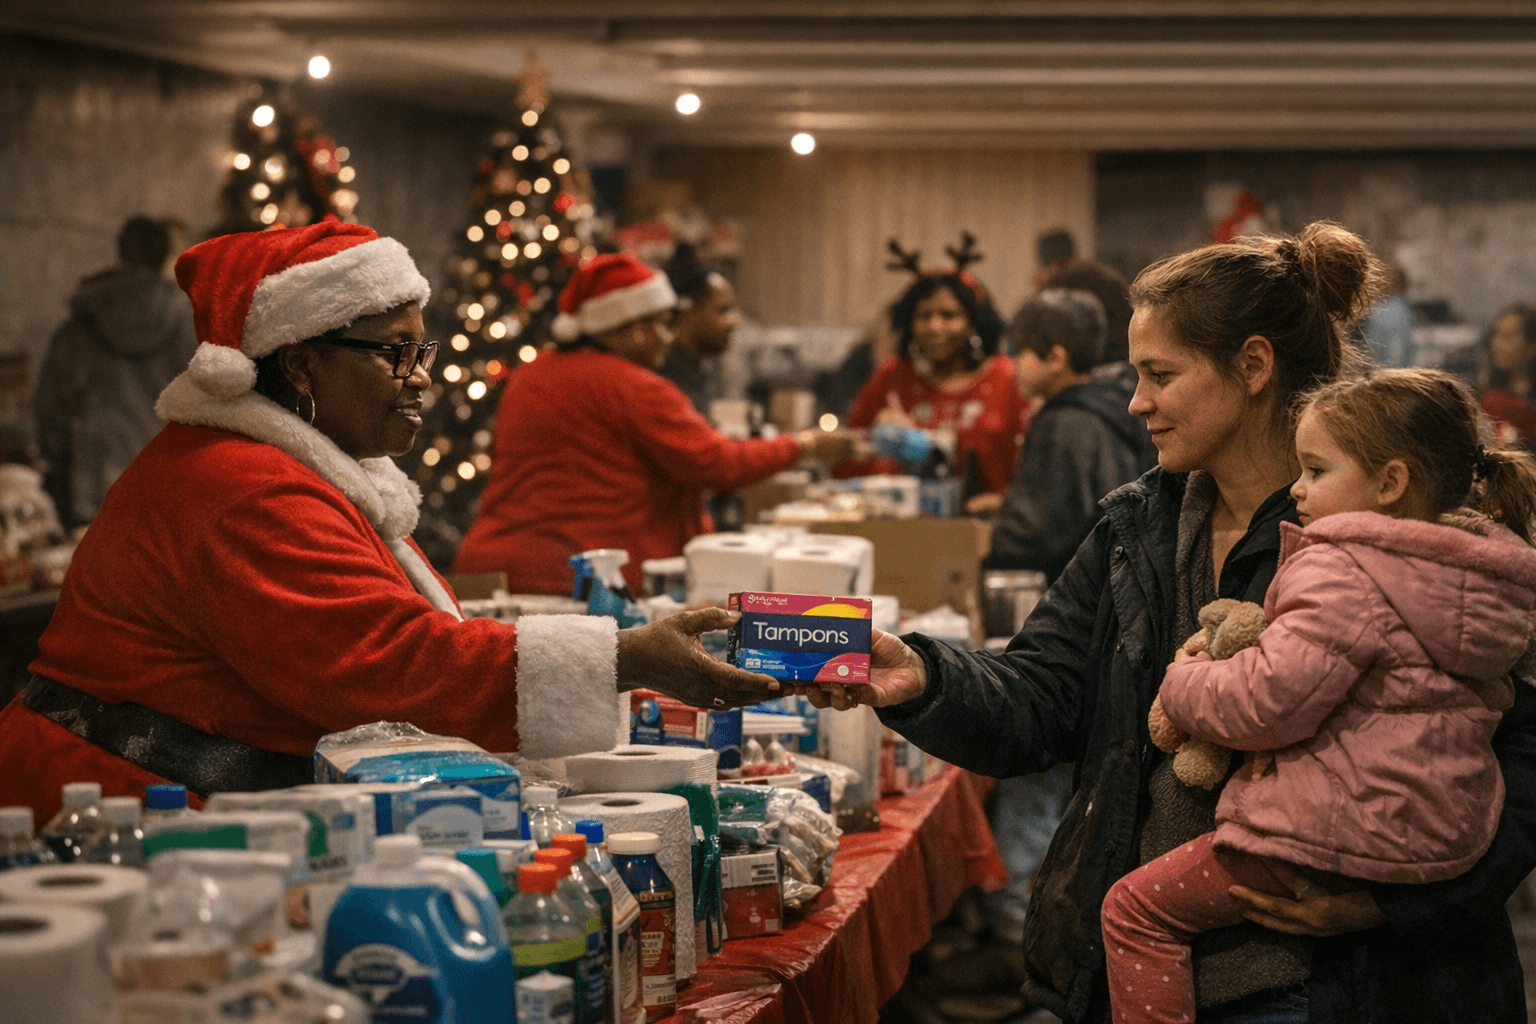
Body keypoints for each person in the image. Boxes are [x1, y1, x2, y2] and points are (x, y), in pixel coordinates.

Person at [803, 222, 1536, 1023]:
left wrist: (1395, 906)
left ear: (1253, 366)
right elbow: (1043, 695)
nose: (1134, 400)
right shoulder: (1141, 522)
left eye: (1160, 374)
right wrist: (923, 676)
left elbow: (1521, 752)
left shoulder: (1404, 528)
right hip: (1165, 974)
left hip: (1354, 986)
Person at [0, 222, 781, 824]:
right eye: (393, 353)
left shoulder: (293, 467)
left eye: (422, 349)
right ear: (301, 365)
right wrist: (626, 656)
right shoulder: (244, 491)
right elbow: (387, 661)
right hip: (110, 807)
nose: (422, 380)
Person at [1101, 368, 1536, 1024]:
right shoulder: (1476, 577)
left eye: (1315, 471)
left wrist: (1181, 681)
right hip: (1439, 844)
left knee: (1134, 914)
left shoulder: (1342, 567)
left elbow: (1267, 701)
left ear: (1389, 483)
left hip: (1329, 835)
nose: (1297, 489)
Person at [454, 252, 853, 596]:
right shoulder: (633, 386)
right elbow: (718, 464)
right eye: (660, 324)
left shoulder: (531, 375)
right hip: (580, 581)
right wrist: (805, 445)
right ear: (628, 326)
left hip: (494, 570)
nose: (667, 336)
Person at [33, 216, 198, 528]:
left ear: (122, 254)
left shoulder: (83, 322)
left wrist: (58, 463)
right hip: (173, 480)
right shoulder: (190, 321)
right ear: (164, 255)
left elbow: (51, 405)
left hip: (95, 482)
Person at [985, 288, 1159, 582]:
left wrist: (987, 538)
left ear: (1055, 358)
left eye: (1018, 352)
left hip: (1078, 582)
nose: (1012, 365)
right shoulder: (1110, 403)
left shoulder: (1063, 421)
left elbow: (1041, 529)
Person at [842, 247, 1028, 498]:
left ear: (974, 321)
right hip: (897, 527)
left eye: (949, 315)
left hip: (985, 527)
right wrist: (876, 437)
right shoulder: (892, 376)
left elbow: (1032, 468)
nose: (935, 326)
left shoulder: (1006, 376)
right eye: (924, 315)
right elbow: (844, 458)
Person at [658, 243, 739, 416]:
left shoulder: (695, 370)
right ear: (689, 311)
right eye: (723, 310)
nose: (735, 322)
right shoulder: (666, 378)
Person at [1479, 303, 1536, 446]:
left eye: (1507, 337)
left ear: (1532, 346)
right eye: (1495, 335)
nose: (1496, 345)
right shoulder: (1487, 398)